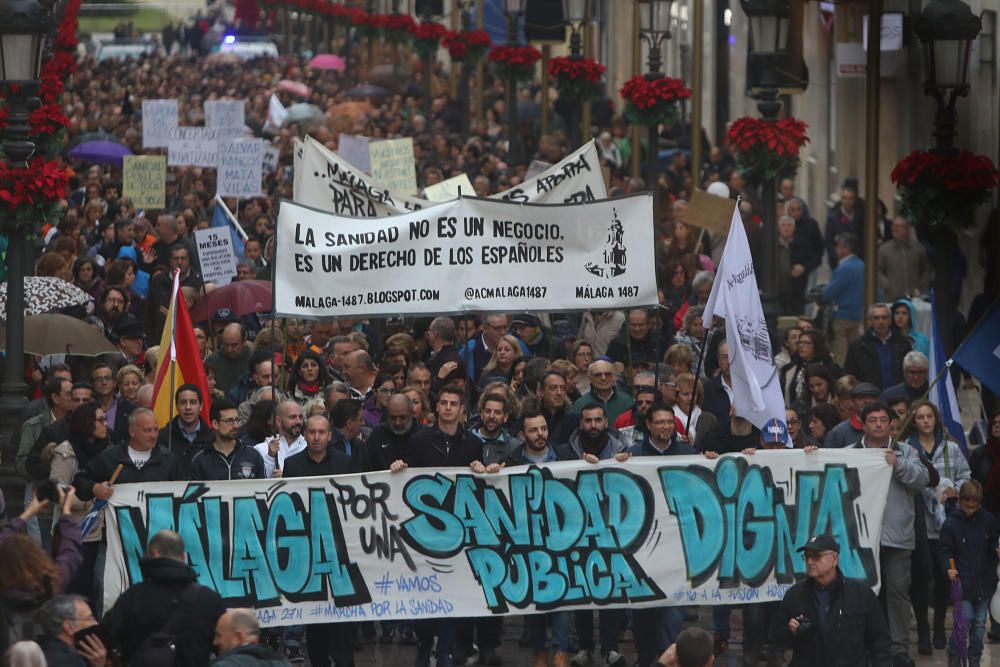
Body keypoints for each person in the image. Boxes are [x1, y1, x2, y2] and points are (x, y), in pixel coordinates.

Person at [850, 401, 929, 665]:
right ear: (864, 423)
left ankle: (898, 650)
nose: (879, 424)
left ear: (890, 423)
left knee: (897, 592)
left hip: (897, 536)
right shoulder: (851, 453)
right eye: (873, 420)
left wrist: (898, 465)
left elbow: (922, 479)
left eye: (883, 420)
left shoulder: (906, 451)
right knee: (861, 593)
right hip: (860, 538)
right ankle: (862, 646)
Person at [281, 415, 354, 667]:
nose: (316, 437)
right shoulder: (292, 465)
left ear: (330, 435)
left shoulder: (345, 462)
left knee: (343, 626)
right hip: (308, 552)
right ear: (305, 435)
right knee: (316, 622)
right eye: (311, 432)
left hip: (341, 551)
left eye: (321, 432)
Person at [902, 400, 971, 652]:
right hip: (918, 524)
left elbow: (966, 475)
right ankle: (922, 629)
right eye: (920, 417)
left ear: (936, 419)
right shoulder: (907, 449)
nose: (925, 421)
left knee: (945, 576)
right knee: (919, 578)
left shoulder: (951, 449)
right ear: (914, 421)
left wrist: (956, 489)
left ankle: (940, 623)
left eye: (929, 416)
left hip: (946, 524)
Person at [101, 530, 225, 667]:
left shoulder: (133, 597)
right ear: (183, 557)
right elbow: (225, 647)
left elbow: (106, 636)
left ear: (153, 554)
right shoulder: (209, 600)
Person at [630, 404, 693, 665]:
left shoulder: (690, 454)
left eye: (670, 422)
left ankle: (669, 658)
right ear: (649, 425)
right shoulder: (632, 454)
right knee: (643, 612)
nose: (666, 427)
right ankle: (646, 657)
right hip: (643, 546)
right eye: (660, 422)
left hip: (677, 546)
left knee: (672, 612)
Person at [771, 533, 890, 666]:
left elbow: (879, 640)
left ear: (834, 559)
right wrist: (790, 630)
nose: (810, 562)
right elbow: (777, 641)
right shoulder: (795, 595)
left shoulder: (861, 594)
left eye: (816, 556)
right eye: (807, 556)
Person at [0, 487, 82, 654]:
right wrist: (65, 511)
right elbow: (70, 552)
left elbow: (3, 542)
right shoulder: (51, 583)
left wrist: (29, 512)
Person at [48, 403, 111, 600]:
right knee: (77, 588)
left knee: (100, 585)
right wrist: (90, 496)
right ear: (86, 424)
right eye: (100, 420)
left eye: (106, 419)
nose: (106, 424)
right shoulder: (66, 453)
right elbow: (57, 492)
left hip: (106, 531)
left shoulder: (110, 450)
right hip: (78, 532)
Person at [938, 480, 999, 667]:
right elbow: (944, 551)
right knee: (964, 621)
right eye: (966, 506)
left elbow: (992, 546)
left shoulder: (988, 521)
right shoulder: (951, 524)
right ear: (960, 502)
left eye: (974, 507)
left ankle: (974, 658)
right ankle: (956, 652)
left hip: (983, 582)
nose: (970, 510)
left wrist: (996, 552)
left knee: (980, 623)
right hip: (962, 583)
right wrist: (948, 569)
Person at [74, 408, 184, 503]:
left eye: (156, 430)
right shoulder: (110, 457)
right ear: (132, 432)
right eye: (147, 430)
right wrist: (95, 488)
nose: (153, 435)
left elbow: (183, 493)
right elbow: (79, 481)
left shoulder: (168, 460)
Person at [190, 398, 266, 480]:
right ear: (215, 424)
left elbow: (262, 489)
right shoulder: (201, 459)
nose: (236, 426)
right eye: (229, 421)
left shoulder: (253, 455)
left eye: (237, 420)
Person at [844, 303, 912, 391]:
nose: (880, 322)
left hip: (898, 397)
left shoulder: (903, 343)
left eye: (884, 317)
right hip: (868, 397)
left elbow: (910, 372)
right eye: (876, 318)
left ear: (890, 320)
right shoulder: (858, 345)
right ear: (870, 321)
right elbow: (850, 376)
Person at [820, 233, 865, 363]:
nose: (836, 250)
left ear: (845, 248)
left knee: (840, 353)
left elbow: (828, 293)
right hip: (858, 314)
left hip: (842, 315)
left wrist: (821, 293)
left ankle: (842, 378)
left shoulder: (844, 268)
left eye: (838, 247)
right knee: (855, 351)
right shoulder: (862, 265)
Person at [156, 383, 215, 475]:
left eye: (193, 402)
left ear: (201, 406)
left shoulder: (212, 438)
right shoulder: (162, 437)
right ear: (176, 406)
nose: (188, 407)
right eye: (183, 402)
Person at [35, 595, 108, 667]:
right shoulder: (69, 660)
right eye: (90, 618)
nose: (95, 623)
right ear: (69, 627)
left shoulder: (41, 650)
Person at [212, 609, 289, 666]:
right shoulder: (284, 664)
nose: (215, 641)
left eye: (219, 635)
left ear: (239, 637)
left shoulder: (223, 665)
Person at [878, 218, 930, 302]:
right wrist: (887, 285)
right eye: (894, 226)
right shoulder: (884, 249)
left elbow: (926, 269)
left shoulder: (918, 248)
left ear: (907, 229)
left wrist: (921, 285)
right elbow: (878, 270)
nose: (895, 229)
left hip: (914, 296)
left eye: (899, 226)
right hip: (892, 297)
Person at [253, 400, 307, 478]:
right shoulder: (261, 449)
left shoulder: (308, 447)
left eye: (300, 417)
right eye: (292, 417)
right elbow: (256, 483)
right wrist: (270, 457)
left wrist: (287, 476)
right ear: (278, 421)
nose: (298, 421)